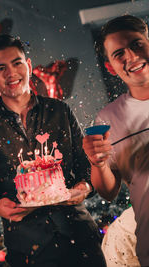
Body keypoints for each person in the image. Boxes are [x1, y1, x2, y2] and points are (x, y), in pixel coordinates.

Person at [0, 34, 106, 266]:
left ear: (28, 65)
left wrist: (83, 188)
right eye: (0, 68)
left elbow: (85, 168)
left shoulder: (60, 111)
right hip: (27, 248)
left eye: (17, 63)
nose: (11, 73)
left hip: (79, 235)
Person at [82, 14, 149, 266]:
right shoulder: (109, 117)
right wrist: (97, 162)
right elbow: (108, 192)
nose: (131, 56)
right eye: (118, 53)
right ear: (110, 67)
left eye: (136, 44)